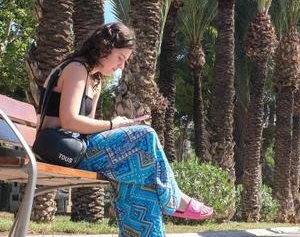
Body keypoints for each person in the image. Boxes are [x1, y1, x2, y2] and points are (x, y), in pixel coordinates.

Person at [36, 22, 212, 237]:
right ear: (105, 47)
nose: (120, 66)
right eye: (120, 58)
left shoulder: (94, 78)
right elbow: (70, 121)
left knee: (139, 171)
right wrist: (114, 125)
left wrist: (121, 127)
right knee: (146, 136)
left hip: (78, 148)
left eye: (125, 61)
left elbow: (85, 128)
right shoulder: (76, 69)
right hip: (60, 151)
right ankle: (176, 200)